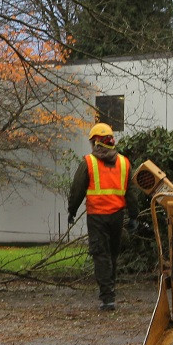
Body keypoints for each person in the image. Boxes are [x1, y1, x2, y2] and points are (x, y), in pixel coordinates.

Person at [66, 122, 138, 311]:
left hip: (97, 217)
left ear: (96, 142)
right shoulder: (124, 162)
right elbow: (131, 192)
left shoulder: (88, 162)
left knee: (101, 255)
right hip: (117, 216)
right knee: (112, 255)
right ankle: (110, 292)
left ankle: (107, 298)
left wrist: (71, 210)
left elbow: (77, 189)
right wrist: (133, 216)